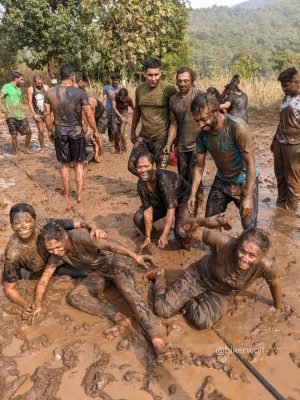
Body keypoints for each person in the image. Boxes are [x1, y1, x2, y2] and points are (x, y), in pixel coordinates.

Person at [27, 222, 169, 362]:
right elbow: (44, 279)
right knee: (74, 296)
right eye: (50, 250)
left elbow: (110, 245)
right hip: (98, 272)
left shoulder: (80, 237)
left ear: (64, 236)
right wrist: (37, 302)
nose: (56, 252)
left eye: (58, 247)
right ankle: (119, 318)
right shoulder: (56, 256)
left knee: (128, 292)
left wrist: (135, 256)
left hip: (116, 263)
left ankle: (156, 339)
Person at [146, 225, 282, 330]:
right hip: (200, 275)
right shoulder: (224, 242)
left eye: (252, 256)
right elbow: (189, 229)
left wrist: (278, 307)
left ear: (261, 256)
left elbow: (275, 284)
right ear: (237, 245)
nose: (245, 259)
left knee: (201, 322)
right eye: (242, 251)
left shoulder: (266, 266)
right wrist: (197, 224)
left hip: (224, 292)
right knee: (162, 310)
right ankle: (159, 276)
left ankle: (189, 301)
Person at [2, 202, 105, 317]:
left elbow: (81, 223)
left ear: (34, 221)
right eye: (17, 223)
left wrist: (94, 228)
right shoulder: (13, 252)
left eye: (28, 221)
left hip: (66, 257)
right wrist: (25, 305)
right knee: (88, 273)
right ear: (11, 225)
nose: (23, 226)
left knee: (96, 263)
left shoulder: (45, 226)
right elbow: (9, 288)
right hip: (51, 269)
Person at [188, 93, 258, 230]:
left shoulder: (237, 127)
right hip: (222, 180)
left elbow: (251, 163)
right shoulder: (202, 135)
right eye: (197, 121)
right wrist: (192, 195)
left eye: (204, 119)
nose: (200, 125)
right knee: (210, 222)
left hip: (244, 181)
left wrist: (248, 197)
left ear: (216, 112)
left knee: (249, 229)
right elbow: (199, 167)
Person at [44, 64, 101, 203]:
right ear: (72, 76)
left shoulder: (50, 92)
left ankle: (67, 194)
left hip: (60, 131)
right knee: (79, 164)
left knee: (64, 164)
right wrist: (95, 130)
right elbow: (88, 114)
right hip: (76, 132)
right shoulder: (80, 93)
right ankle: (79, 196)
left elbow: (46, 114)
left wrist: (50, 130)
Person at [164, 67, 204, 216]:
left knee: (195, 174)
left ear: (192, 81)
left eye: (186, 81)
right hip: (181, 145)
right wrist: (169, 144)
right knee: (183, 175)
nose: (182, 84)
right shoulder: (173, 100)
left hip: (198, 144)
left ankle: (198, 203)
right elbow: (173, 124)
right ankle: (187, 202)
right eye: (180, 81)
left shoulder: (199, 95)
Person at [128, 58, 177, 175]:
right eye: (150, 75)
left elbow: (176, 118)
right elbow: (137, 112)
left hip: (163, 139)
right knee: (132, 165)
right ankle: (150, 182)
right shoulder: (140, 89)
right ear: (144, 73)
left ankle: (156, 186)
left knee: (161, 171)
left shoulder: (169, 89)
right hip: (144, 137)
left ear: (160, 73)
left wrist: (171, 143)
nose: (153, 78)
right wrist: (132, 131)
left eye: (156, 74)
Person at [133, 152, 191, 250]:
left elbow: (171, 209)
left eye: (146, 166)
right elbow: (148, 210)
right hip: (163, 202)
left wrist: (165, 234)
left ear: (154, 166)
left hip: (183, 200)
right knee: (139, 218)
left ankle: (185, 246)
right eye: (139, 167)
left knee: (181, 233)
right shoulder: (141, 184)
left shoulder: (164, 179)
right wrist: (147, 237)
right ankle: (155, 236)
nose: (142, 170)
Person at [271, 67, 300, 212]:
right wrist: (274, 140)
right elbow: (281, 121)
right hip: (280, 142)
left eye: (286, 85)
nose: (283, 88)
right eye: (282, 85)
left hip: (294, 145)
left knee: (292, 178)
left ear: (297, 82)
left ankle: (291, 210)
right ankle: (281, 204)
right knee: (280, 175)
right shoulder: (285, 98)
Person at [0, 71, 32, 156]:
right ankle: (17, 152)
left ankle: (26, 149)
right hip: (10, 115)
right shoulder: (7, 86)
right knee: (14, 135)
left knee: (29, 132)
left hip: (21, 115)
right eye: (21, 80)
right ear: (16, 79)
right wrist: (1, 106)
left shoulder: (18, 88)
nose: (23, 81)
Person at [27, 74, 49, 152]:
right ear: (34, 82)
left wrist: (49, 112)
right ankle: (42, 148)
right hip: (37, 113)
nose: (40, 85)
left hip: (46, 113)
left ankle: (56, 146)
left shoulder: (46, 87)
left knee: (51, 129)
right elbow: (30, 102)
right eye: (38, 83)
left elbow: (49, 100)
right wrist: (34, 114)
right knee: (41, 130)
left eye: (41, 83)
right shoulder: (30, 89)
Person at [112, 87, 134, 154]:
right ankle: (117, 149)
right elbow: (114, 108)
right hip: (116, 114)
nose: (124, 100)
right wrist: (121, 117)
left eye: (125, 98)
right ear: (119, 95)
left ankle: (124, 149)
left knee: (122, 132)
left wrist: (135, 117)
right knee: (115, 132)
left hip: (124, 113)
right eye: (122, 98)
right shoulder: (115, 96)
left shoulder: (129, 99)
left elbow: (133, 108)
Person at [103, 72, 122, 143]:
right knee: (110, 127)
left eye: (117, 82)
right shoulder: (106, 88)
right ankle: (111, 141)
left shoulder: (121, 89)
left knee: (117, 128)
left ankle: (117, 142)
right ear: (112, 80)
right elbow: (104, 99)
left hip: (118, 112)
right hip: (109, 110)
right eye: (115, 82)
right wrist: (103, 110)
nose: (116, 83)